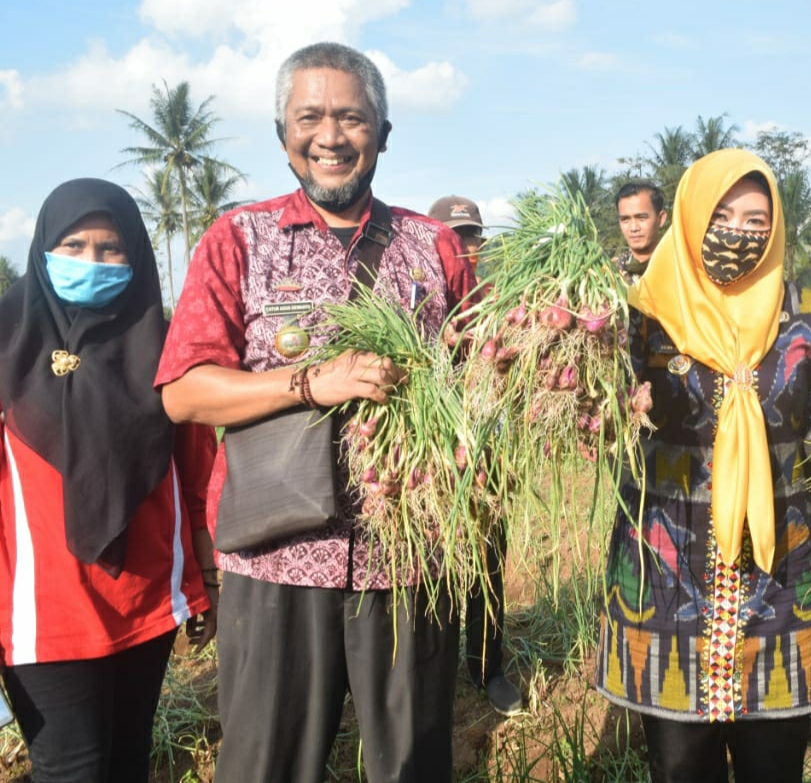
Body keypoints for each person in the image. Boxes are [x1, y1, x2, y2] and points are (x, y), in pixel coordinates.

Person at [155, 43, 476, 782]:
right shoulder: (238, 239)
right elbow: (184, 390)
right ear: (283, 135)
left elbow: (491, 373)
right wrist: (308, 384)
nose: (330, 135)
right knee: (266, 763)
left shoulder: (435, 248)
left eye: (351, 117)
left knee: (412, 764)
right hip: (275, 557)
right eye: (310, 117)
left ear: (383, 133)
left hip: (410, 558)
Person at [595, 148, 811, 783]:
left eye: (758, 219)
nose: (739, 231)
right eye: (723, 213)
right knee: (679, 768)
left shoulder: (802, 308)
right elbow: (594, 421)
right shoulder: (642, 310)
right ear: (691, 212)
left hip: (780, 574)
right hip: (667, 576)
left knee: (774, 767)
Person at [0, 178, 217, 782]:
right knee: (73, 769)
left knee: (127, 760)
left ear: (137, 256)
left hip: (145, 595)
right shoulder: (5, 344)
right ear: (43, 250)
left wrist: (204, 581)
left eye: (110, 249)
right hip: (42, 610)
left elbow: (195, 467)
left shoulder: (164, 344)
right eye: (73, 247)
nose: (91, 263)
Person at [427, 194, 524, 716]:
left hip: (486, 453)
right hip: (430, 459)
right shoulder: (415, 301)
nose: (464, 247)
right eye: (453, 236)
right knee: (432, 568)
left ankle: (488, 667)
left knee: (486, 563)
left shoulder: (492, 302)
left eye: (471, 237)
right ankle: (432, 672)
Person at [613, 180, 668, 283]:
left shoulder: (680, 266)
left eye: (642, 218)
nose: (633, 228)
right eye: (625, 219)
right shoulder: (611, 273)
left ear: (661, 219)